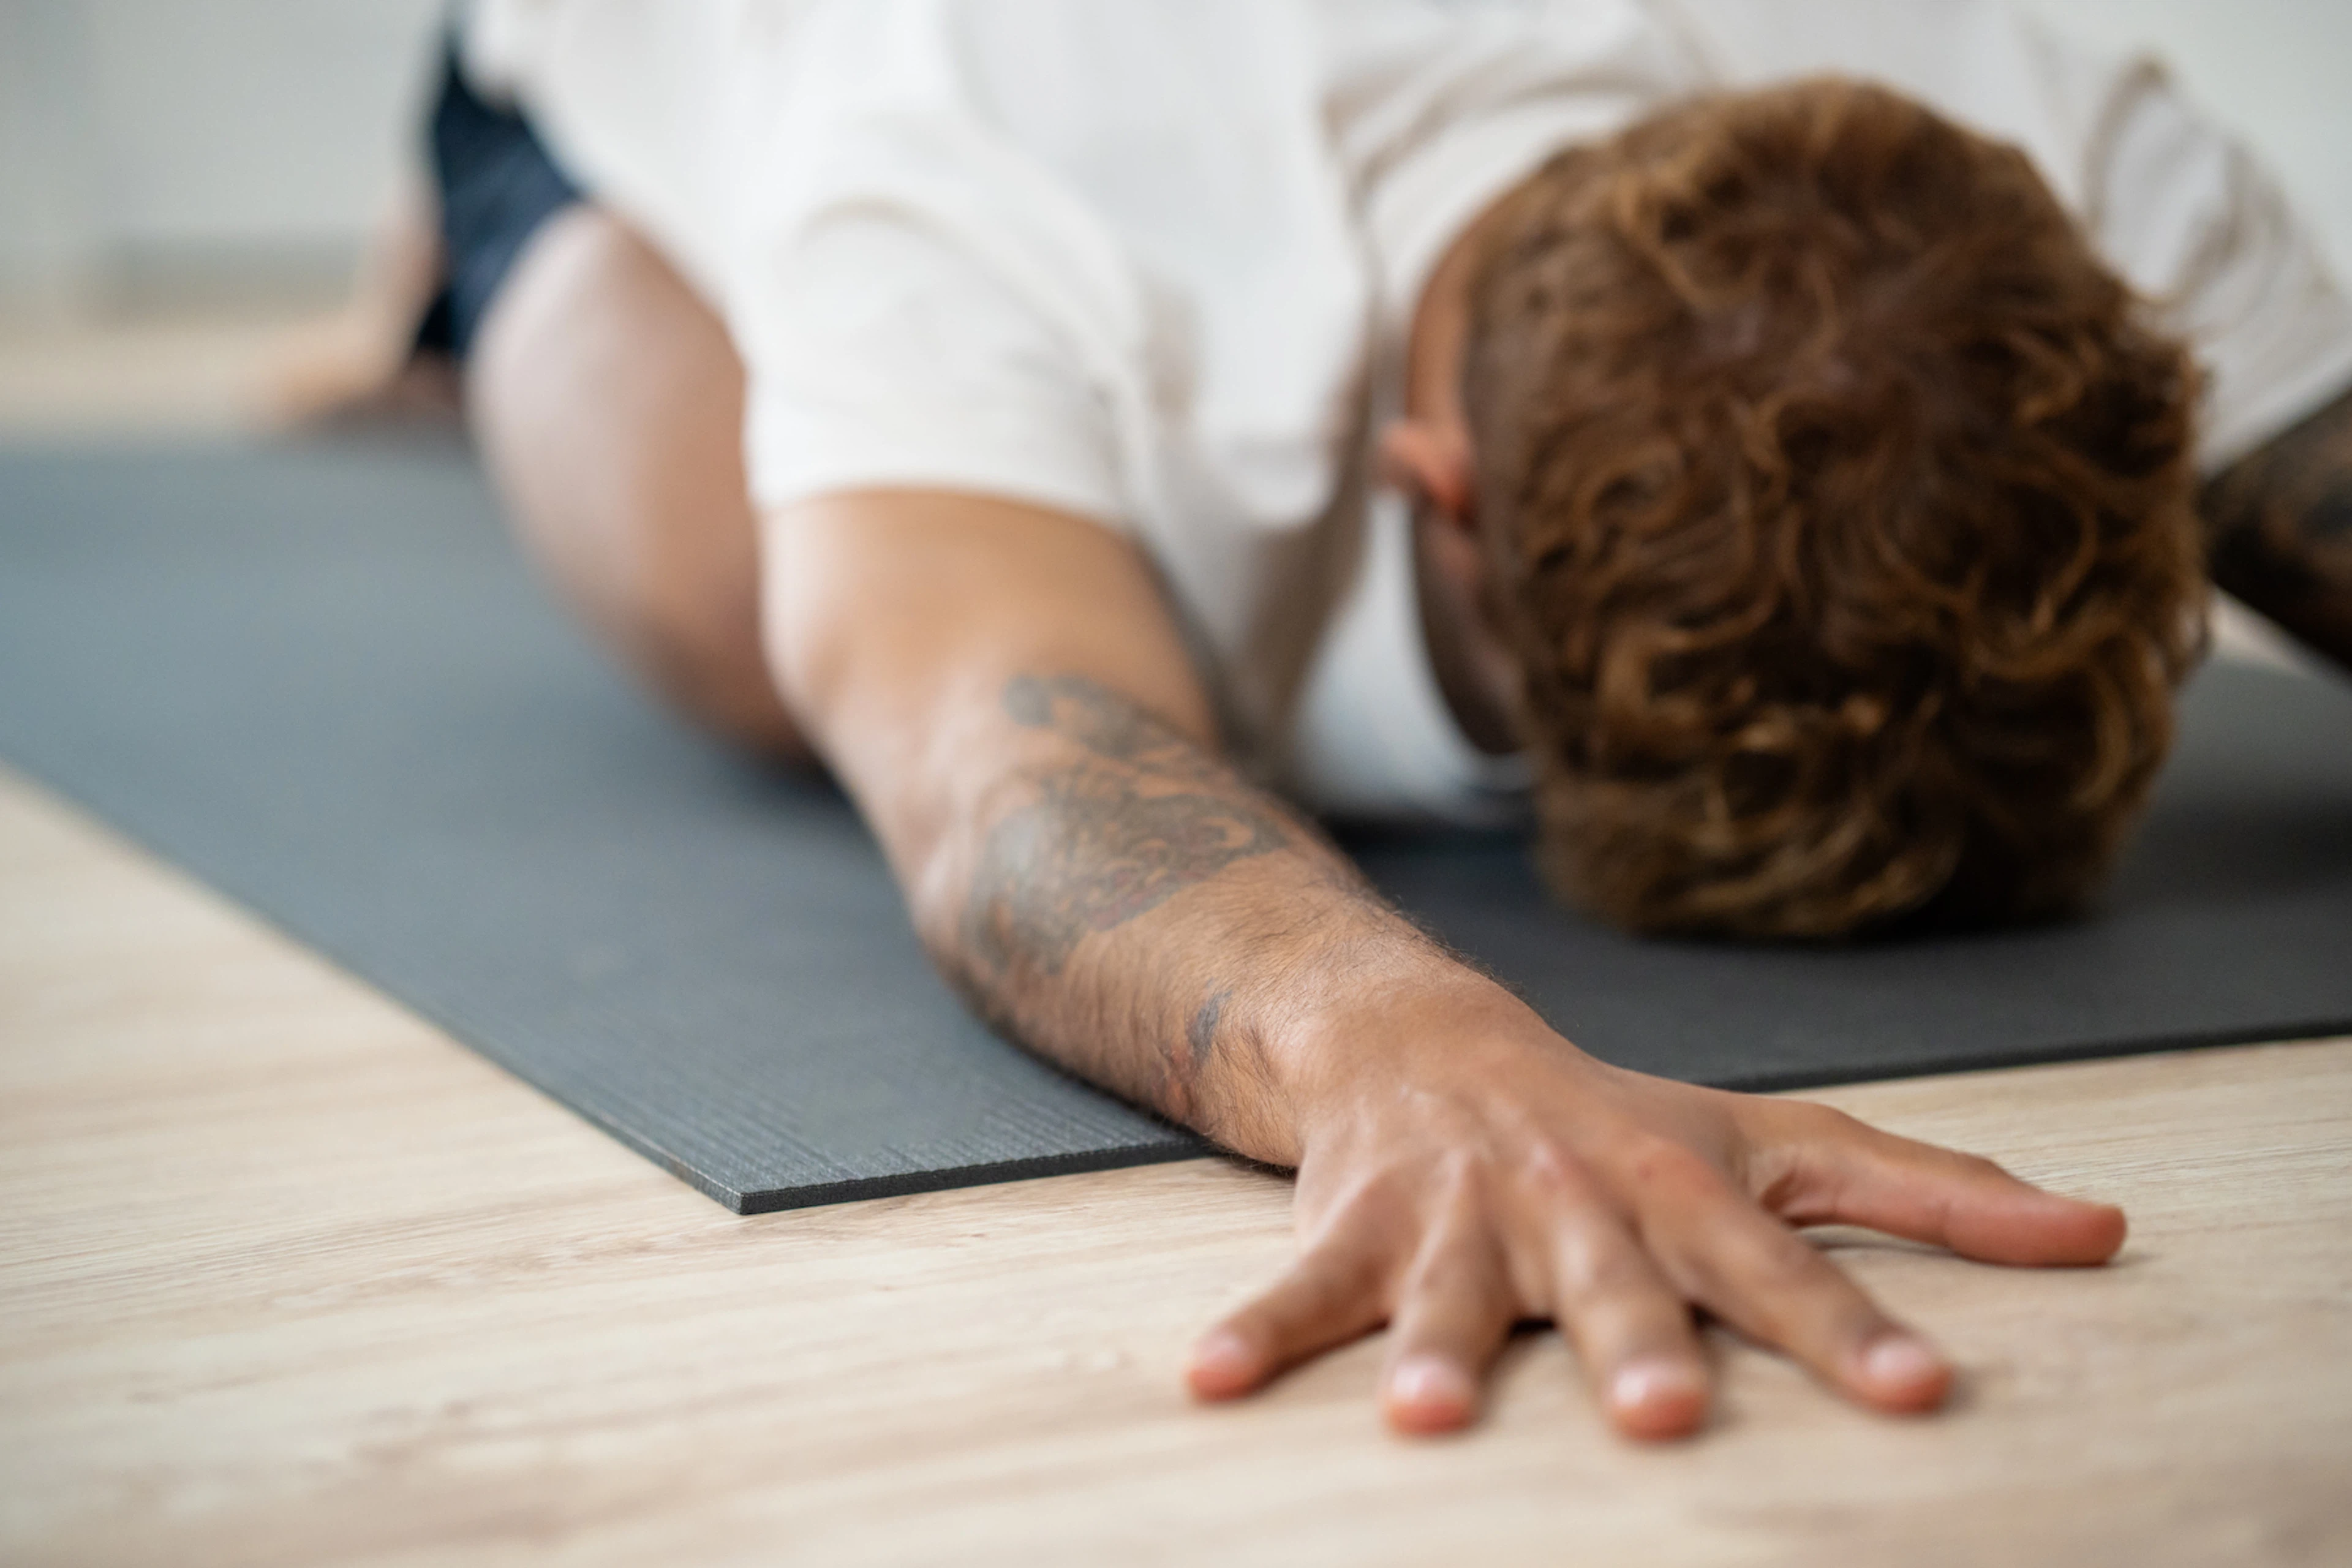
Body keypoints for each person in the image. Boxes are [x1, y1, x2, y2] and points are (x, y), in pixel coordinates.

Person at [361, 0, 2352, 1440]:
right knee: (765, 598)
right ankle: (428, 278)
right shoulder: (969, 202)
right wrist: (1402, 1046)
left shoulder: (2068, 145)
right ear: (1430, 485)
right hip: (652, 62)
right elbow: (990, 762)